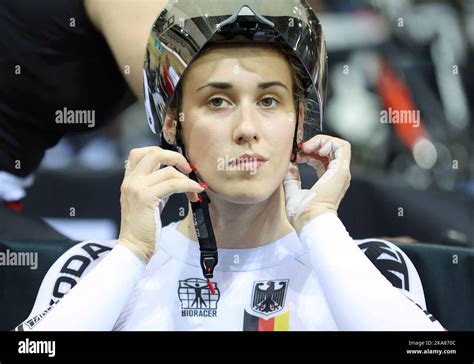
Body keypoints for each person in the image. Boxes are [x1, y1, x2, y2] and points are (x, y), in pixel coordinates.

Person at [14, 0, 443, 331]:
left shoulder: (372, 263)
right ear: (171, 123)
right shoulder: (91, 267)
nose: (247, 128)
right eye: (217, 101)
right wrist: (130, 254)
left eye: (270, 100)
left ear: (300, 123)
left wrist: (320, 224)